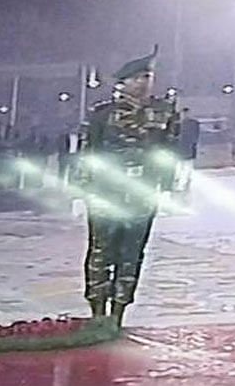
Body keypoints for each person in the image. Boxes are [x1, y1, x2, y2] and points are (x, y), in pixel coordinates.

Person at [79, 46, 181, 328]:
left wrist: (169, 186)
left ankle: (119, 312)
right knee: (101, 251)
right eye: (138, 77)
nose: (144, 82)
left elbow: (170, 150)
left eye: (148, 76)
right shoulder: (102, 113)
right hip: (105, 193)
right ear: (122, 82)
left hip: (143, 193)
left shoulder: (164, 112)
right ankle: (98, 311)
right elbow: (89, 152)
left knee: (132, 252)